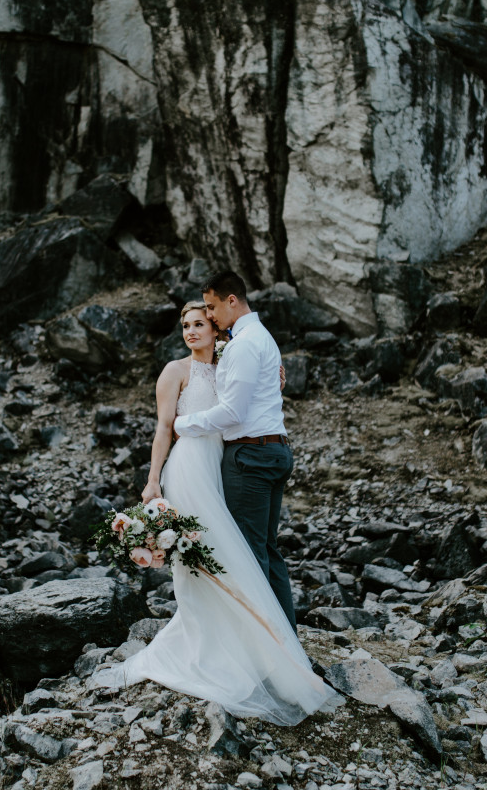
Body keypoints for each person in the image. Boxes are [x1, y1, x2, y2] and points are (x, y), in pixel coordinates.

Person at [95, 301, 340, 726]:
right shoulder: (175, 371)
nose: (190, 332)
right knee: (206, 557)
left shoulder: (230, 361)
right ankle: (213, 646)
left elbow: (248, 394)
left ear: (215, 328)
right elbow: (163, 427)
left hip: (223, 466)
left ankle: (250, 647)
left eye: (198, 324)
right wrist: (153, 479)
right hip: (189, 469)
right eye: (184, 326)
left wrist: (273, 377)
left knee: (229, 555)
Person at [174, 271, 296, 628]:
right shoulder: (260, 338)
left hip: (251, 458)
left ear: (231, 301)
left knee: (248, 555)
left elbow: (232, 413)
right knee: (267, 551)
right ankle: (286, 639)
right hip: (272, 450)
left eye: (211, 308)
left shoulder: (243, 345)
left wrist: (181, 425)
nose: (210, 316)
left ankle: (267, 650)